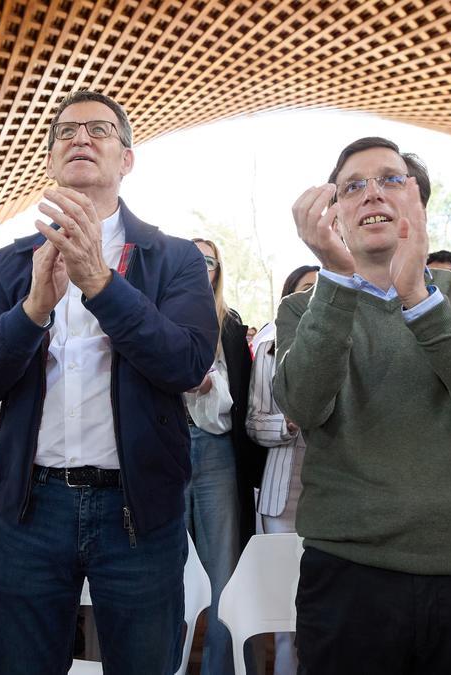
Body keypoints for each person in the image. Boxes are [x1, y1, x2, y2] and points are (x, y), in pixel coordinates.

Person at [0, 90, 217, 674]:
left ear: (126, 159)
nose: (81, 138)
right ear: (49, 161)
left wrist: (101, 285)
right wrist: (31, 312)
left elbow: (187, 363)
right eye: (67, 131)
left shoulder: (171, 259)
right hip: (31, 507)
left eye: (99, 130)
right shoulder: (11, 265)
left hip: (138, 511)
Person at [279, 137, 451, 674]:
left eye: (390, 180)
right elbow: (304, 405)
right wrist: (336, 278)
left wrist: (419, 298)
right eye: (352, 186)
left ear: (419, 203)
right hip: (349, 572)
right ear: (333, 214)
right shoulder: (304, 308)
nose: (371, 193)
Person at [183, 236, 263, 675]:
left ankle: (222, 667)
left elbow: (246, 398)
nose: (201, 266)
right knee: (163, 563)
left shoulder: (229, 323)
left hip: (216, 450)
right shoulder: (157, 314)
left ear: (218, 270)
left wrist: (212, 387)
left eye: (209, 260)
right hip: (168, 447)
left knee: (222, 571)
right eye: (192, 259)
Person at [246, 263, 318, 675]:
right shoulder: (270, 344)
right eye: (305, 288)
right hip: (283, 494)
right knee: (284, 613)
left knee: (328, 606)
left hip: (339, 493)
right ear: (289, 296)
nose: (313, 296)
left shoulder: (348, 339)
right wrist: (287, 423)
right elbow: (254, 423)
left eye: (321, 289)